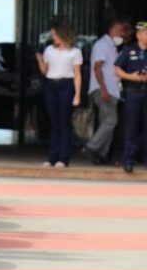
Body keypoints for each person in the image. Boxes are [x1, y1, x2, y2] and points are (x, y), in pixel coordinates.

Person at [35, 22, 82, 168]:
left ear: (63, 35)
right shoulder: (49, 50)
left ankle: (63, 158)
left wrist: (77, 95)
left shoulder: (74, 52)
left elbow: (77, 74)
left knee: (64, 122)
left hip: (66, 84)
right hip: (51, 84)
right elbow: (45, 70)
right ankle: (52, 157)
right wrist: (39, 60)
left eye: (55, 35)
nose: (53, 37)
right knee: (54, 122)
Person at [84, 18, 126, 164]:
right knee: (111, 120)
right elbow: (98, 67)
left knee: (106, 122)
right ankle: (92, 147)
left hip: (112, 91)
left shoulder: (111, 46)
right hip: (105, 90)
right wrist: (104, 90)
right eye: (120, 30)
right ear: (112, 30)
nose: (122, 34)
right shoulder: (103, 44)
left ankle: (102, 155)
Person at [114, 21, 147, 173]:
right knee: (131, 128)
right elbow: (117, 70)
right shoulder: (129, 50)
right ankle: (129, 161)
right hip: (133, 92)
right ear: (139, 34)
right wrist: (131, 77)